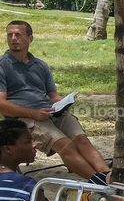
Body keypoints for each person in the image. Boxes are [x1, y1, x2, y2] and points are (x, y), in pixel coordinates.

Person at [0, 21, 110, 184]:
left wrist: (62, 105)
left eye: (18, 34)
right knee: (65, 145)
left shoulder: (40, 65)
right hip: (26, 117)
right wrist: (34, 113)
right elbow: (2, 105)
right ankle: (99, 182)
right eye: (10, 35)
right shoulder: (3, 65)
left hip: (51, 112)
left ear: (30, 38)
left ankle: (108, 175)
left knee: (82, 140)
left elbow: (53, 95)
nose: (13, 38)